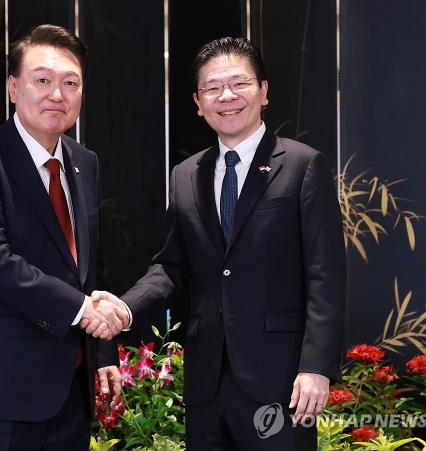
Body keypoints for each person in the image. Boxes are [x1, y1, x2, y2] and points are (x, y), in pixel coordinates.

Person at [96, 36, 346, 450]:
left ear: (264, 91)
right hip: (206, 382)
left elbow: (326, 274)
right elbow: (170, 268)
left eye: (239, 84)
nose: (226, 96)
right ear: (198, 101)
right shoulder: (185, 175)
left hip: (281, 381)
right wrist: (124, 307)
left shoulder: (303, 165)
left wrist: (316, 367)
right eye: (212, 88)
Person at [0, 24, 129, 450]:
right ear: (13, 87)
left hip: (67, 396)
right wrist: (82, 310)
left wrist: (103, 352)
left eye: (70, 83)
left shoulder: (84, 162)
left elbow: (90, 266)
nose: (56, 94)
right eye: (42, 80)